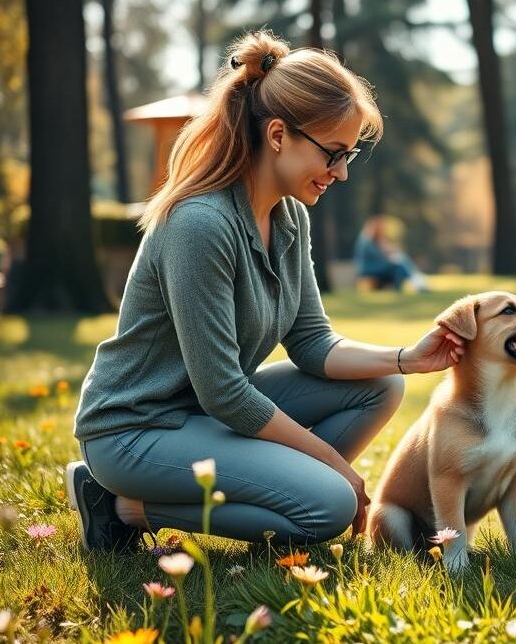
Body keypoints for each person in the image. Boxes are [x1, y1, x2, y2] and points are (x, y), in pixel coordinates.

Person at [65, 31, 466, 553]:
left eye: (349, 155)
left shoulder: (289, 216)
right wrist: (332, 464)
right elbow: (226, 393)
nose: (342, 173)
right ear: (278, 134)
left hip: (204, 415)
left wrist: (408, 359)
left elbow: (313, 343)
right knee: (329, 505)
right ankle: (117, 506)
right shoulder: (200, 225)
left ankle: (287, 493)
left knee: (381, 385)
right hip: (136, 430)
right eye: (334, 154)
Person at [353, 216, 429, 292]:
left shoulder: (371, 239)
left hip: (376, 266)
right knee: (398, 265)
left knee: (399, 261)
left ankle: (414, 280)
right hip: (368, 268)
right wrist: (388, 251)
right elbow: (379, 255)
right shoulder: (366, 241)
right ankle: (412, 281)